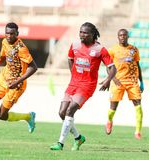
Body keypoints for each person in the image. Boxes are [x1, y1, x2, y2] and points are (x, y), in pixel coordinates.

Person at [50, 22, 117, 151]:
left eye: (85, 33)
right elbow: (70, 59)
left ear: (92, 35)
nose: (82, 35)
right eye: (81, 32)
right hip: (74, 83)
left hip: (87, 85)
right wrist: (73, 73)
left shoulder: (100, 49)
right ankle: (78, 138)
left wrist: (108, 79)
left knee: (71, 110)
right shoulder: (74, 45)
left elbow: (112, 68)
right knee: (62, 113)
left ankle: (60, 143)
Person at [105, 28, 144, 140]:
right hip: (118, 82)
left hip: (132, 81)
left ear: (128, 36)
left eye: (124, 35)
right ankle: (109, 120)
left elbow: (138, 66)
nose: (122, 37)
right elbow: (108, 67)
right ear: (118, 37)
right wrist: (113, 78)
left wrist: (141, 82)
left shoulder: (134, 49)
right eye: (120, 35)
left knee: (138, 106)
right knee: (113, 107)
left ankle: (137, 131)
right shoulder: (112, 50)